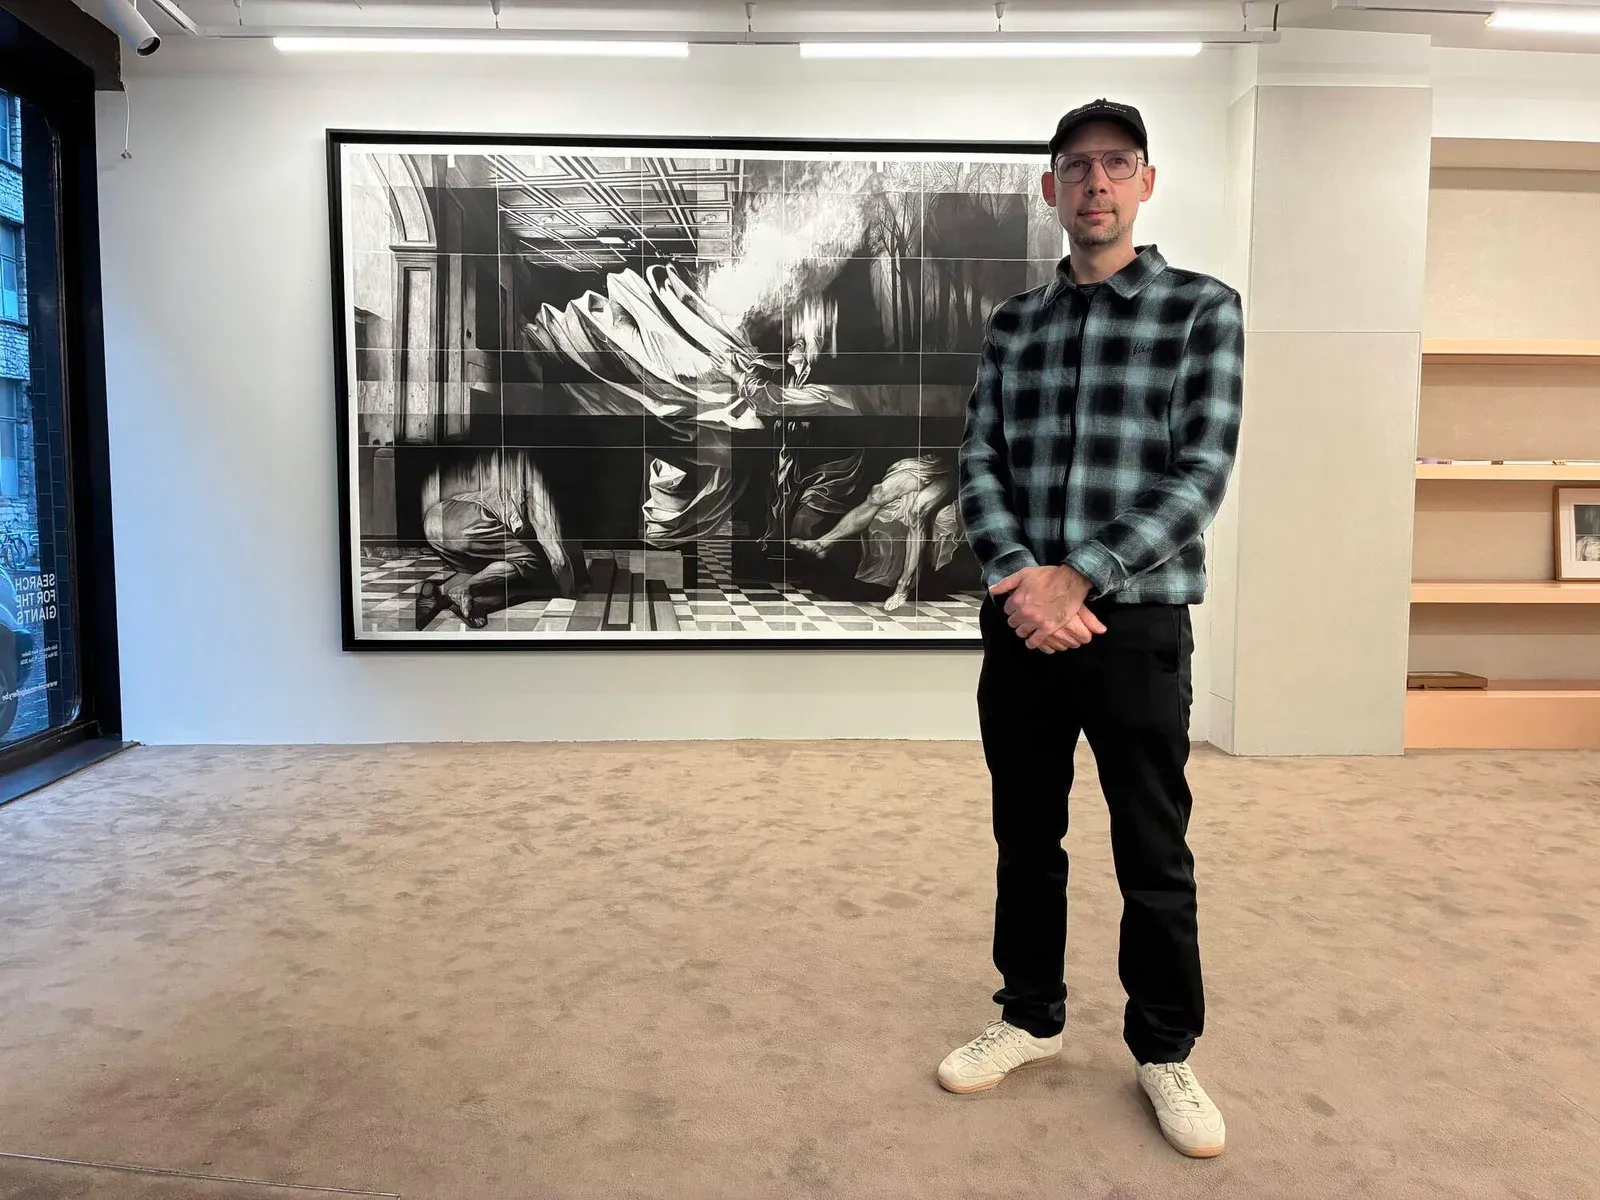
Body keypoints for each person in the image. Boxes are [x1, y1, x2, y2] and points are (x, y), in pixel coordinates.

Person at [940, 99, 1244, 1161]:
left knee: (1150, 846)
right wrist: (1023, 579)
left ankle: (1164, 1048)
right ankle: (1028, 1016)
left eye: (1116, 166)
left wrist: (1083, 579)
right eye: (1076, 167)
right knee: (1026, 836)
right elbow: (977, 461)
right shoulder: (1014, 321)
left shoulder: (1202, 310)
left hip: (1138, 621)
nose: (1096, 184)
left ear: (1146, 183)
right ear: (1050, 189)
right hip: (1020, 621)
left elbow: (1199, 475)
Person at [413, 449, 587, 630]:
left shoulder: (516, 490)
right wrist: (571, 595)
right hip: (464, 521)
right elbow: (558, 559)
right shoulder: (541, 497)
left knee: (491, 567)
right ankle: (464, 590)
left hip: (434, 521)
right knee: (528, 563)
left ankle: (437, 592)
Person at [790, 453, 961, 611]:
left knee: (916, 511)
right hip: (930, 459)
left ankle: (903, 585)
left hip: (955, 462)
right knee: (877, 493)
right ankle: (824, 543)